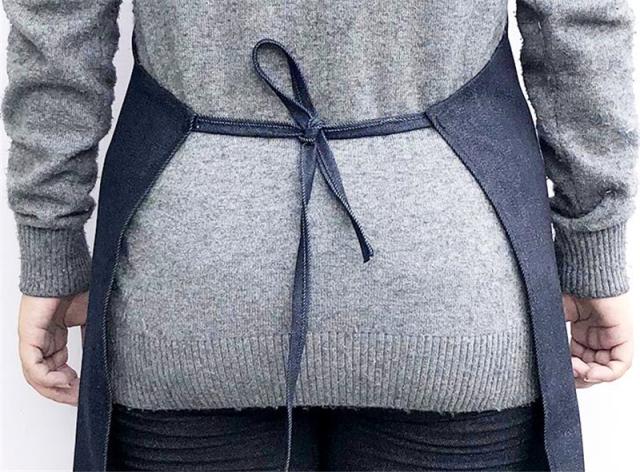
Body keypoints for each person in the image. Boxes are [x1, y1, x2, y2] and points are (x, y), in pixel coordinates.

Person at [3, 1, 637, 471]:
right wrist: (593, 245)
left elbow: (57, 27)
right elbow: (579, 23)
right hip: (452, 278)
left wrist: (52, 245)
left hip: (189, 277)